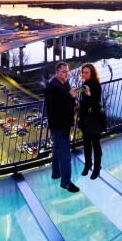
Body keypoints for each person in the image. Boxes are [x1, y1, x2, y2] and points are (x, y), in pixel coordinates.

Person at [45, 62, 80, 193]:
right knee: (65, 155)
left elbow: (67, 101)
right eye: (64, 71)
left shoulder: (64, 83)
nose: (67, 74)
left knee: (56, 149)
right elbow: (56, 105)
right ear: (57, 72)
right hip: (58, 124)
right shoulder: (52, 86)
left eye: (67, 71)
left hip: (64, 123)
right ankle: (65, 182)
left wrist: (74, 100)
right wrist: (70, 96)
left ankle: (55, 173)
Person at [77, 63, 105, 180]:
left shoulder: (96, 85)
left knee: (96, 145)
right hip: (85, 119)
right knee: (86, 144)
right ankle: (88, 164)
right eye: (83, 72)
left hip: (94, 120)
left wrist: (88, 94)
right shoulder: (84, 84)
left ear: (92, 73)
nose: (84, 74)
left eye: (86, 72)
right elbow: (84, 102)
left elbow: (96, 103)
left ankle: (97, 168)